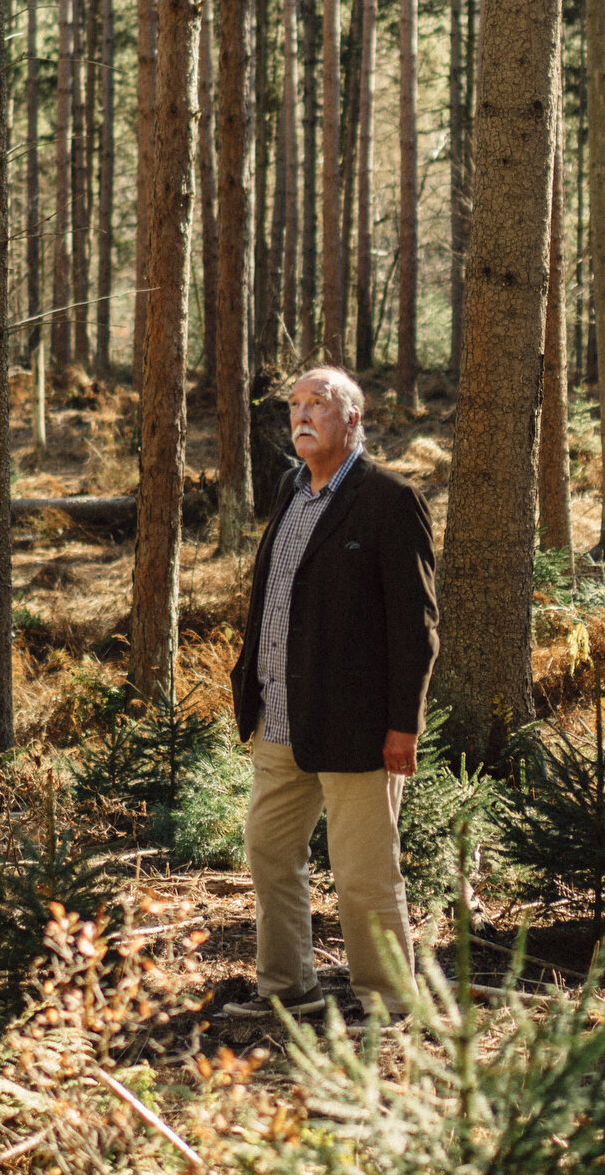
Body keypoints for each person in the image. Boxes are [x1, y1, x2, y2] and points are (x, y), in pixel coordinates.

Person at [221, 365, 438, 1020]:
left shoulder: (391, 501)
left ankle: (392, 1005)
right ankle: (288, 990)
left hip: (360, 727)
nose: (303, 415)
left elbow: (417, 625)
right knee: (268, 853)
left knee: (365, 874)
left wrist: (406, 724)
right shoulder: (292, 489)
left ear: (354, 419)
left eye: (320, 403)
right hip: (281, 717)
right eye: (295, 405)